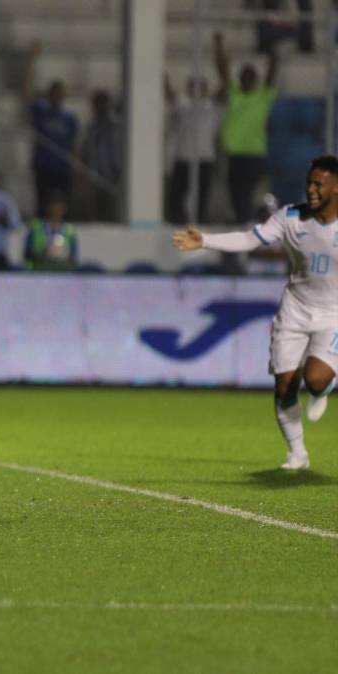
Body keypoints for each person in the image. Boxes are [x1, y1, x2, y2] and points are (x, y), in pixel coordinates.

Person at [172, 155, 338, 471]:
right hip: (295, 309)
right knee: (284, 385)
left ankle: (321, 389)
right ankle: (297, 453)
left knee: (315, 379)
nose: (311, 189)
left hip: (334, 313)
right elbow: (250, 239)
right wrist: (205, 240)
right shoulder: (291, 217)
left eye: (319, 184)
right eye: (309, 183)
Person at [215, 31, 278, 224]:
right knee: (235, 191)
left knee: (247, 191)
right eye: (245, 76)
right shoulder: (235, 94)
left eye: (251, 77)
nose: (248, 80)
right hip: (234, 153)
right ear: (240, 78)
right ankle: (243, 220)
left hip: (253, 153)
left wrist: (273, 51)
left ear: (256, 80)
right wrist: (218, 46)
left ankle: (247, 221)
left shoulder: (262, 97)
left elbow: (271, 74)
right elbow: (223, 71)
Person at [22, 42, 79, 218]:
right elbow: (26, 92)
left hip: (62, 168)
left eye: (60, 94)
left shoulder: (69, 117)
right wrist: (31, 60)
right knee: (42, 206)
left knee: (63, 206)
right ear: (49, 95)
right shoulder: (41, 110)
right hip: (44, 167)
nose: (57, 97)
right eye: (54, 93)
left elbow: (74, 144)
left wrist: (76, 167)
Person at [165, 73, 221, 224]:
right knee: (176, 195)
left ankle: (200, 223)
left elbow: (223, 90)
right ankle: (178, 221)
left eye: (200, 86)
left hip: (204, 157)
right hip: (183, 157)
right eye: (193, 85)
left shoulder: (211, 106)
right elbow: (169, 93)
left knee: (202, 196)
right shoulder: (182, 104)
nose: (196, 90)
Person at [82, 90, 122, 222]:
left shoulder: (115, 125)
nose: (100, 107)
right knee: (96, 209)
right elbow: (87, 149)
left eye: (103, 104)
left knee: (111, 208)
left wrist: (117, 170)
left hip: (112, 174)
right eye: (97, 104)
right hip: (95, 173)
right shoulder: (91, 127)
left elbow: (117, 149)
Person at [23, 191, 78, 272]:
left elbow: (73, 260)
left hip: (62, 275)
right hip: (38, 274)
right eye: (54, 206)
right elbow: (27, 255)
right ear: (48, 207)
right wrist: (45, 254)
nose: (57, 209)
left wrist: (62, 256)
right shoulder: (36, 228)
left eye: (60, 206)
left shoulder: (69, 231)